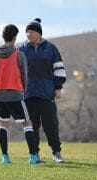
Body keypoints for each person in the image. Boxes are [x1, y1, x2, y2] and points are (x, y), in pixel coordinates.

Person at [17, 18, 67, 163]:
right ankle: (34, 154)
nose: (28, 34)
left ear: (38, 33)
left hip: (47, 93)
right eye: (27, 31)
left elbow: (59, 69)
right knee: (32, 125)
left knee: (51, 124)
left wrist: (58, 87)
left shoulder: (51, 48)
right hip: (27, 94)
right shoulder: (21, 49)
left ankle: (56, 152)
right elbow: (16, 71)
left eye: (31, 31)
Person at [0, 24, 38, 164]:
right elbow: (25, 76)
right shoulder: (19, 55)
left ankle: (5, 157)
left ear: (3, 37)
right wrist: (21, 90)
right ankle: (33, 156)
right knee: (27, 123)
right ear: (15, 37)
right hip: (16, 94)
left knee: (3, 124)